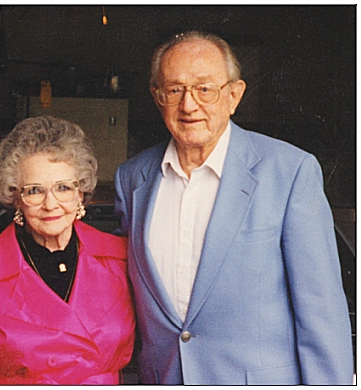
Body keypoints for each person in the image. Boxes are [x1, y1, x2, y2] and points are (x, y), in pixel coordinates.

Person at [113, 31, 353, 385]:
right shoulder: (132, 179)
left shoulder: (288, 171)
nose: (189, 105)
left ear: (234, 95)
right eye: (175, 90)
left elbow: (322, 316)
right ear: (157, 96)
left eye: (204, 88)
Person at [0, 116, 135, 385]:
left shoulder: (123, 259)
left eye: (64, 188)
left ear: (80, 194)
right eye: (34, 191)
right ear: (16, 198)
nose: (51, 204)